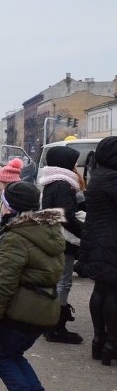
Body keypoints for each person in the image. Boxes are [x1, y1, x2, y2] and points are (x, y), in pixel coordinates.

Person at [0, 181, 65, 391]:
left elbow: (4, 282)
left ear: (10, 204)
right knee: (14, 354)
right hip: (46, 306)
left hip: (23, 308)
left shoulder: (17, 235)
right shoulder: (50, 229)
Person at [38, 146, 85, 344]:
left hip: (53, 235)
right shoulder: (62, 184)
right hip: (63, 238)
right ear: (65, 163)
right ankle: (56, 326)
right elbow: (65, 214)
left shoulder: (52, 182)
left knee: (57, 280)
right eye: (73, 162)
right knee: (63, 282)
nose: (76, 167)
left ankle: (51, 323)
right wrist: (84, 232)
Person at [77, 136, 117, 365]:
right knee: (112, 292)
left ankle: (99, 339)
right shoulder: (113, 178)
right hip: (111, 242)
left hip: (97, 240)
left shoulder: (98, 175)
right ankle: (112, 343)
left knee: (101, 290)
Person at [0, 158, 24, 270]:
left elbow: (7, 222)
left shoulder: (9, 200)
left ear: (8, 184)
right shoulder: (11, 197)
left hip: (6, 245)